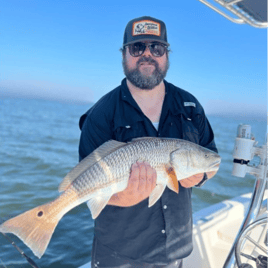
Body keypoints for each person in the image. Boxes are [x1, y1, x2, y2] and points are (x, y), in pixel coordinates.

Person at [78, 16, 218, 268]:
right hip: (120, 254)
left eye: (157, 48)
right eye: (137, 47)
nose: (147, 54)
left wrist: (202, 176)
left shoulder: (190, 105)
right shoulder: (100, 114)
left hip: (175, 249)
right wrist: (124, 197)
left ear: (166, 55)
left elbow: (211, 157)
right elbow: (88, 184)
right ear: (124, 55)